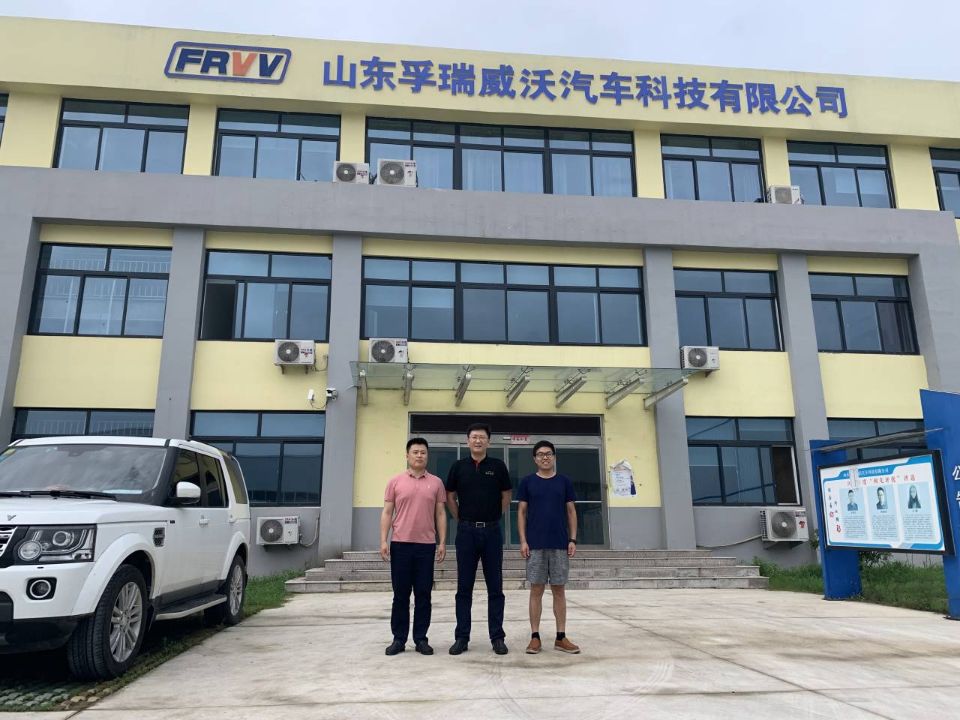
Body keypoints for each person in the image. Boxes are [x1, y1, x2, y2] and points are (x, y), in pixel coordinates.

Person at [445, 423, 512, 656]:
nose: (478, 441)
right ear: (468, 441)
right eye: (474, 437)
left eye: (482, 437)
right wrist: (461, 518)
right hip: (466, 533)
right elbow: (450, 496)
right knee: (464, 588)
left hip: (492, 532)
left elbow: (506, 494)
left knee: (496, 587)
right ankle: (462, 637)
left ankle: (497, 637)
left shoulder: (498, 466)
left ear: (488, 442)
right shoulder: (458, 467)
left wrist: (495, 515)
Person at [380, 438, 447, 656]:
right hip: (401, 544)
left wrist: (442, 542)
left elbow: (440, 513)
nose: (419, 455)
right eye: (415, 452)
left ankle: (421, 639)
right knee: (400, 594)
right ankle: (399, 639)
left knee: (423, 594)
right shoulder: (395, 482)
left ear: (427, 456)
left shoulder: (436, 483)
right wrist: (383, 540)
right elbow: (387, 512)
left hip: (426, 546)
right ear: (407, 455)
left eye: (423, 452)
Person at [517, 440, 580, 655]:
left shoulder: (564, 481)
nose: (545, 457)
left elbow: (571, 511)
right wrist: (523, 541)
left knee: (559, 590)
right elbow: (521, 513)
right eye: (540, 454)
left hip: (559, 544)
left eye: (549, 453)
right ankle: (535, 637)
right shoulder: (527, 482)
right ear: (535, 459)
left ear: (554, 457)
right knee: (536, 590)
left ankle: (561, 637)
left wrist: (572, 539)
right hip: (535, 545)